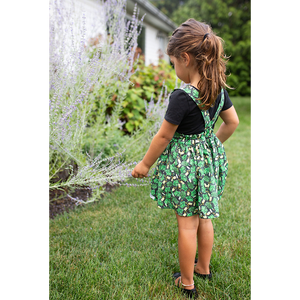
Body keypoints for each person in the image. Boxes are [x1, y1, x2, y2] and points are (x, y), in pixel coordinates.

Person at [132, 18, 239, 298]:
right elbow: (232, 123)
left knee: (186, 223)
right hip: (207, 164)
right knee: (205, 218)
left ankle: (187, 282)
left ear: (185, 58)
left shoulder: (182, 96)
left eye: (173, 63)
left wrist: (145, 165)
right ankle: (203, 267)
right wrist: (212, 144)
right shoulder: (218, 89)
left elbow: (164, 137)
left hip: (185, 169)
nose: (173, 68)